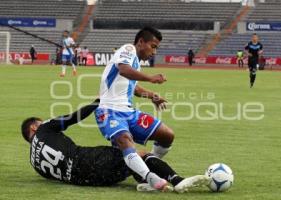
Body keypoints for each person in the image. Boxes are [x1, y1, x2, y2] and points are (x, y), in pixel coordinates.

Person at [21, 100, 209, 192]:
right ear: (33, 127)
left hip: (85, 180)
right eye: (40, 121)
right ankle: (177, 181)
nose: (43, 121)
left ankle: (143, 181)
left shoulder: (33, 161)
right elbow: (73, 117)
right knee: (137, 154)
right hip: (86, 160)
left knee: (125, 158)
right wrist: (98, 103)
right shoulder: (43, 129)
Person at [94, 27, 176, 191]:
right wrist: (151, 78)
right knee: (125, 139)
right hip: (109, 110)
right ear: (141, 42)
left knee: (167, 135)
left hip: (128, 112)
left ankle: (147, 163)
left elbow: (133, 87)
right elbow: (124, 70)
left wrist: (152, 96)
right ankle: (150, 177)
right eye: (153, 46)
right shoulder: (128, 49)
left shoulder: (136, 63)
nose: (154, 52)